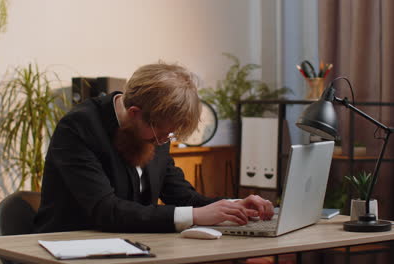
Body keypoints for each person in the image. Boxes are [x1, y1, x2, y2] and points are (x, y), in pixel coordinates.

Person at [34, 62, 274, 233]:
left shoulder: (154, 127)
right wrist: (195, 216)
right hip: (67, 248)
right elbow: (106, 210)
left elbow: (181, 197)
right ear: (134, 113)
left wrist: (233, 207)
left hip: (128, 246)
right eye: (161, 134)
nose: (164, 141)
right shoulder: (78, 128)